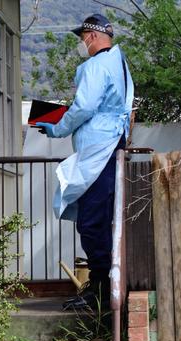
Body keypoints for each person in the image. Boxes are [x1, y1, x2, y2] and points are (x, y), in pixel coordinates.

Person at [35, 14, 134, 310]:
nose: (82, 44)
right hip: (112, 145)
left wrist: (56, 126)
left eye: (82, 39)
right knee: (101, 218)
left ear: (91, 37)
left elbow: (84, 107)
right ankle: (103, 285)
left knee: (92, 221)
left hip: (97, 151)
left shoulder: (95, 65)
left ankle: (100, 291)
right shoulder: (120, 64)